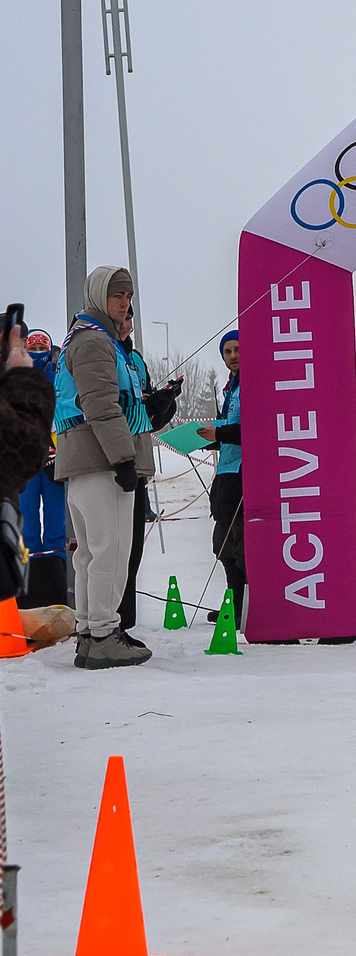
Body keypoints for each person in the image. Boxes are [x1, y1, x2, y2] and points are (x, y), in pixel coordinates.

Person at [52, 266, 173, 669]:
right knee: (110, 552)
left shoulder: (94, 340)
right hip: (101, 460)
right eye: (117, 294)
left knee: (90, 554)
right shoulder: (94, 343)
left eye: (129, 295)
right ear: (97, 296)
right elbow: (101, 406)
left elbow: (117, 404)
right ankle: (104, 633)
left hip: (87, 459)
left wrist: (151, 407)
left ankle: (89, 632)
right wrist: (123, 459)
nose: (125, 302)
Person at [15, 329, 71, 609]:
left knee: (56, 525)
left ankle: (56, 581)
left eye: (42, 346)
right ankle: (30, 587)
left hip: (52, 462)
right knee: (26, 524)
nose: (37, 350)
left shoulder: (58, 376)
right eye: (32, 346)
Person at [206, 330, 247, 617]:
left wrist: (219, 432)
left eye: (237, 350)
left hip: (244, 471)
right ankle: (232, 603)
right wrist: (204, 437)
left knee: (241, 545)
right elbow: (227, 429)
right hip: (225, 470)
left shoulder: (253, 383)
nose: (232, 356)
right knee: (222, 544)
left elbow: (253, 429)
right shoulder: (230, 386)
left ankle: (244, 606)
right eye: (227, 352)